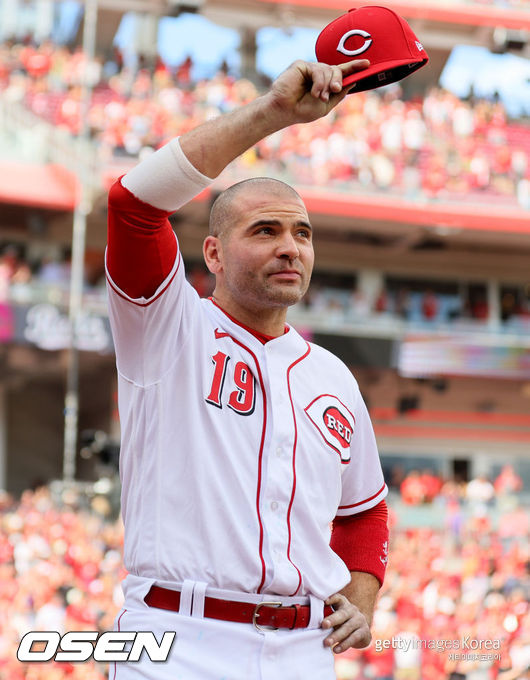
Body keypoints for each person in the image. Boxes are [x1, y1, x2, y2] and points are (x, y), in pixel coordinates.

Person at [106, 58, 389, 680]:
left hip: (304, 652)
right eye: (265, 231)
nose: (290, 246)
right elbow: (133, 204)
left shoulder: (334, 377)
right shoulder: (167, 327)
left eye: (302, 233)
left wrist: (362, 597)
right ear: (213, 252)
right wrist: (272, 115)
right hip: (178, 640)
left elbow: (364, 511)